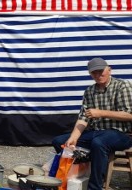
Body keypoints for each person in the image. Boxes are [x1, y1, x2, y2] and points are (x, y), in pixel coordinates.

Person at [51, 58, 132, 189]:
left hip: (121, 134)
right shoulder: (89, 91)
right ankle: (83, 168)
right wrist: (73, 138)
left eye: (101, 71)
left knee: (98, 143)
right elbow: (83, 118)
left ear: (109, 69)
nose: (98, 75)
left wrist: (101, 113)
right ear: (90, 74)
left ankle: (95, 186)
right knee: (59, 141)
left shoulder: (122, 85)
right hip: (96, 133)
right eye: (94, 72)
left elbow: (129, 115)